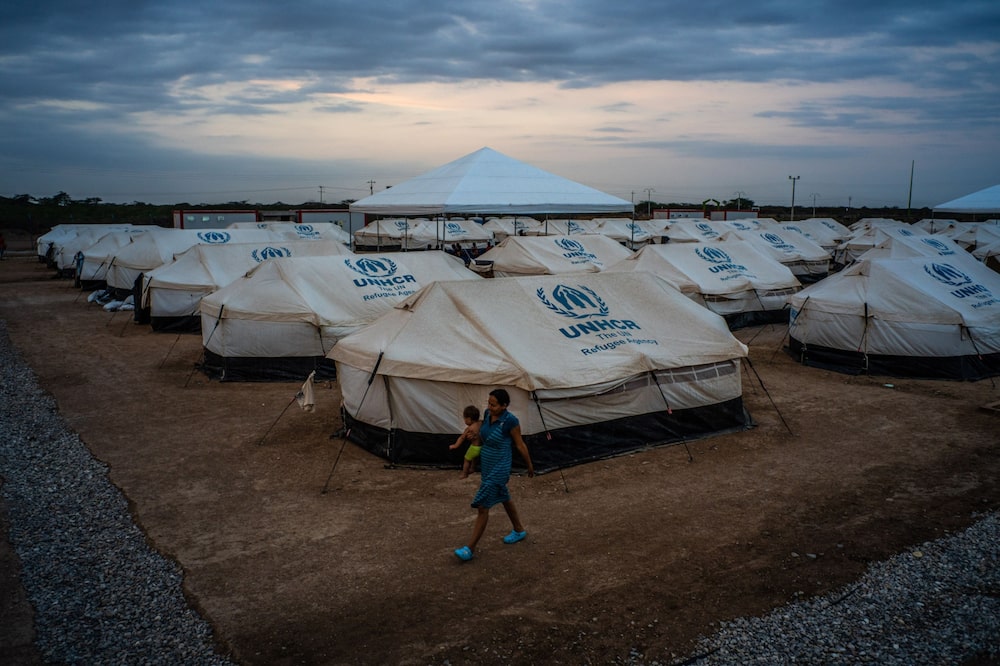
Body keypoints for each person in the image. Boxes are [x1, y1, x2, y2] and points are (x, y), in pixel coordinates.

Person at [454, 388, 535, 561]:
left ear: (504, 406)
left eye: (494, 405)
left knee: (483, 506)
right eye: (489, 403)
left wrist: (529, 466)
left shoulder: (510, 421)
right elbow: (484, 436)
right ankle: (519, 530)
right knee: (503, 496)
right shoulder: (487, 414)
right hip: (488, 464)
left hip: (501, 466)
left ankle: (470, 549)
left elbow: (520, 445)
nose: (490, 407)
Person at [449, 404, 482, 479]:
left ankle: (464, 474)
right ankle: (473, 468)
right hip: (481, 447)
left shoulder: (469, 429)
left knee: (466, 459)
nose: (464, 420)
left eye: (465, 418)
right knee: (474, 457)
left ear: (469, 419)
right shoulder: (480, 423)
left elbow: (462, 438)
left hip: (474, 447)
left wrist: (455, 445)